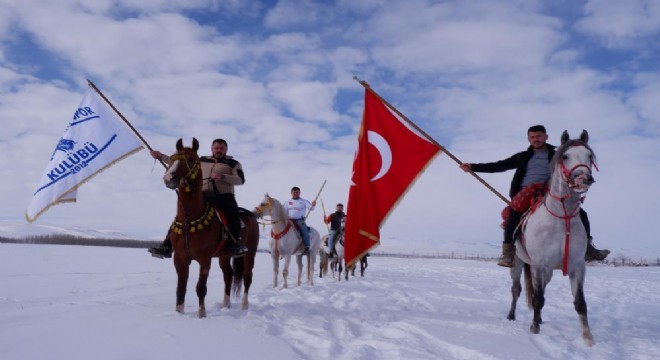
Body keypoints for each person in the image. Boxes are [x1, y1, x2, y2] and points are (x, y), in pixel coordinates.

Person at [459, 125, 610, 267]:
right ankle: (508, 252)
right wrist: (473, 167)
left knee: (580, 213)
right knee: (514, 214)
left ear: (546, 136)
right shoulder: (522, 157)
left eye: (538, 136)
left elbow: (571, 166)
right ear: (528, 139)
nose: (535, 139)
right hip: (525, 191)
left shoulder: (558, 154)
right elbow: (499, 165)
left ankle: (588, 248)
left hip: (550, 190)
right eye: (532, 137)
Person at [148, 138, 249, 259]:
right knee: (182, 216)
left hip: (224, 196)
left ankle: (235, 245)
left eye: (221, 148)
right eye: (216, 148)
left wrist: (222, 177)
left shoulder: (233, 163)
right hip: (203, 194)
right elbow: (179, 161)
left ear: (226, 149)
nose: (219, 150)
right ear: (212, 149)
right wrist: (160, 156)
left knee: (232, 215)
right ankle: (167, 245)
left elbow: (240, 180)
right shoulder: (201, 160)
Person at [284, 186, 316, 254]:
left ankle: (307, 246)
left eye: (297, 192)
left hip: (299, 220)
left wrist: (313, 205)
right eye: (294, 192)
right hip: (289, 220)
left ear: (300, 193)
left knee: (304, 230)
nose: (296, 193)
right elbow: (284, 212)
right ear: (291, 193)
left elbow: (311, 209)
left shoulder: (304, 201)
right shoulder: (287, 202)